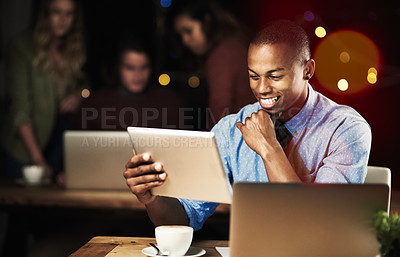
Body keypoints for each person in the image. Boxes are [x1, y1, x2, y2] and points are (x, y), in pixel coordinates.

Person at [123, 20, 372, 231]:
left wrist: (269, 148)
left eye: (275, 76)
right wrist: (150, 197)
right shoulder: (231, 129)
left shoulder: (346, 130)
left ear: (307, 70)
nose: (262, 89)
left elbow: (315, 224)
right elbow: (183, 218)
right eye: (254, 76)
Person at [1, 0, 88, 180]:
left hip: (57, 142)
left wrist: (80, 96)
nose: (62, 19)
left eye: (69, 13)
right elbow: (20, 111)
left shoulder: (73, 48)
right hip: (25, 148)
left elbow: (86, 85)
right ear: (45, 14)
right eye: (56, 12)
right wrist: (38, 159)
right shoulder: (21, 47)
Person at [166, 0, 255, 127]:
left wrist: (206, 143)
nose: (185, 41)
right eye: (181, 35)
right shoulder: (236, 42)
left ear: (207, 22)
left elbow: (220, 112)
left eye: (188, 31)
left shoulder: (222, 54)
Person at [76, 38, 181, 130]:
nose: (137, 75)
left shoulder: (168, 101)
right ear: (117, 68)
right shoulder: (95, 103)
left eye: (144, 67)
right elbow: (76, 146)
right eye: (130, 68)